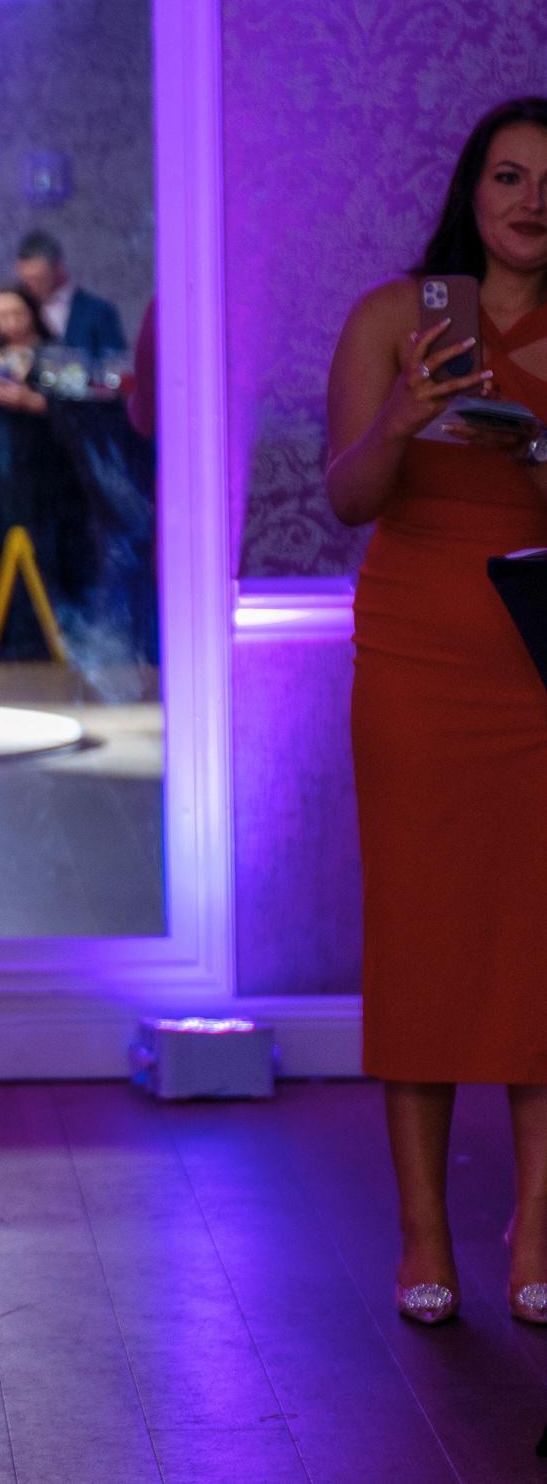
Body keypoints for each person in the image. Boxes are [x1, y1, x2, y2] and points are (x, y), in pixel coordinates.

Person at [325, 97, 547, 1328]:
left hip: (539, 663)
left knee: (538, 941)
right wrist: (402, 417)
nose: (532, 201)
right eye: (510, 176)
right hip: (416, 661)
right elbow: (350, 496)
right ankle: (424, 1233)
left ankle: (537, 1231)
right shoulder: (390, 318)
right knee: (420, 934)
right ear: (473, 190)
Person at [0, 285, 88, 660]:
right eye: (0, 316)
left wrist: (28, 400)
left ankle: (48, 634)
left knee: (46, 546)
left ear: (31, 313)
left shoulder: (56, 355)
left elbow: (76, 409)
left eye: (16, 313)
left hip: (46, 470)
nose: (9, 323)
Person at [14, 230, 126, 357]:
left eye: (38, 279)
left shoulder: (98, 312)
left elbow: (114, 361)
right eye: (26, 280)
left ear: (58, 269)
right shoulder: (19, 311)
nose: (32, 286)